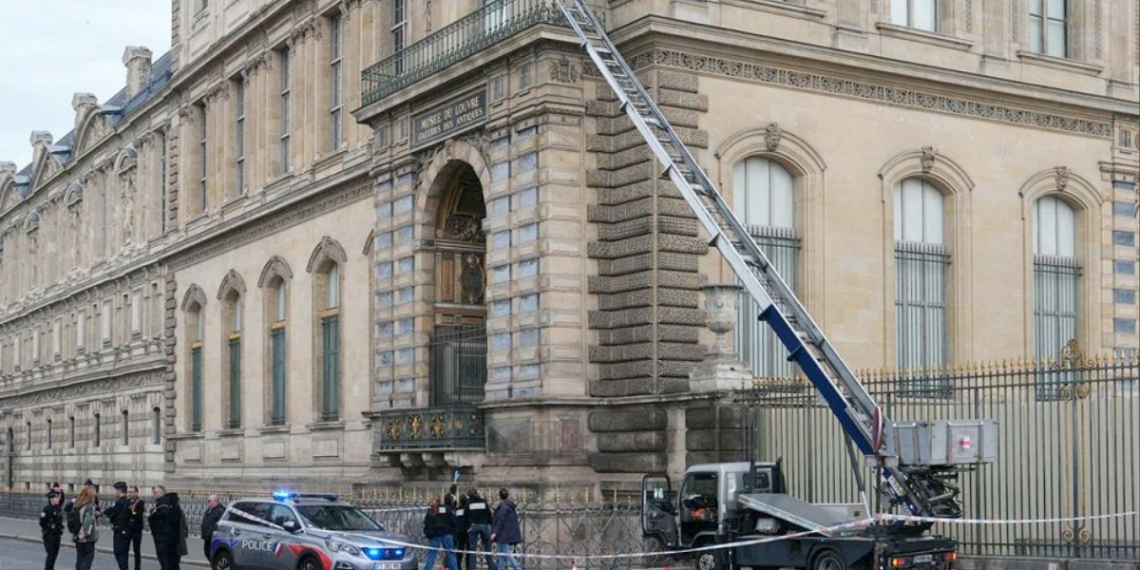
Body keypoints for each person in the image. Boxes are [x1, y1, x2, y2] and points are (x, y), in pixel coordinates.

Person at [421, 497, 460, 570]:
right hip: (447, 534)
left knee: (432, 554)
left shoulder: (430, 510)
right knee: (451, 554)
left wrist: (428, 533)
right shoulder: (447, 508)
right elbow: (454, 521)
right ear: (440, 501)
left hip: (435, 535)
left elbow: (426, 523)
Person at [148, 486, 180, 570]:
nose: (153, 494)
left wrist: (153, 514)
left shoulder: (163, 504)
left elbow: (162, 519)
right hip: (164, 537)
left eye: (155, 492)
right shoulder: (161, 503)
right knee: (168, 563)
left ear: (161, 493)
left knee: (165, 562)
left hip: (163, 538)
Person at [490, 489, 522, 570]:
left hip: (503, 534)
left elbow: (500, 521)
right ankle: (500, 568)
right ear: (507, 496)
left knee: (507, 553)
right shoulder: (510, 506)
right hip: (507, 533)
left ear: (499, 496)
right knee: (501, 554)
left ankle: (517, 568)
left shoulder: (503, 508)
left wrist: (495, 533)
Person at [465, 489, 496, 570]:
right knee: (487, 548)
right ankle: (492, 567)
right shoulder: (483, 501)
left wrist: (468, 525)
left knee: (472, 550)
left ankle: (472, 568)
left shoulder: (468, 503)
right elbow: (488, 514)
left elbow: (466, 516)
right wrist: (491, 524)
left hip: (473, 526)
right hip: (484, 525)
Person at [103, 482, 132, 570]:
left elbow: (111, 511)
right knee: (123, 554)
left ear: (119, 490)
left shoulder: (120, 502)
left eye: (115, 490)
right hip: (125, 531)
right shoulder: (127, 501)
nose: (114, 492)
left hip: (120, 531)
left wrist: (104, 512)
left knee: (119, 553)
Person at [73, 486, 99, 570]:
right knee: (87, 559)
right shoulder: (89, 506)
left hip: (77, 535)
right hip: (87, 538)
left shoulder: (77, 504)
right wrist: (84, 533)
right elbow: (88, 521)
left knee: (80, 557)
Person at [40, 492, 64, 570]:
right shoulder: (46, 509)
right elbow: (42, 522)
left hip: (57, 535)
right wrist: (50, 526)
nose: (58, 499)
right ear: (51, 499)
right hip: (49, 535)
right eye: (56, 498)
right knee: (51, 554)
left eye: (58, 498)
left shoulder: (58, 508)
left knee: (54, 555)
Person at [200, 495, 225, 563]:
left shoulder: (220, 511)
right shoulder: (209, 510)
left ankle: (216, 565)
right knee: (207, 552)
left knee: (213, 554)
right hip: (207, 537)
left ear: (215, 501)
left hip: (214, 537)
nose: (208, 502)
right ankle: (214, 565)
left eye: (209, 501)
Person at [127, 486, 146, 570]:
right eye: (129, 492)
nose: (130, 494)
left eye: (131, 492)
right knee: (125, 549)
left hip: (136, 529)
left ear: (136, 492)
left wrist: (132, 512)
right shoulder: (127, 501)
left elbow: (138, 515)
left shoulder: (140, 502)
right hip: (128, 528)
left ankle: (137, 567)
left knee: (136, 550)